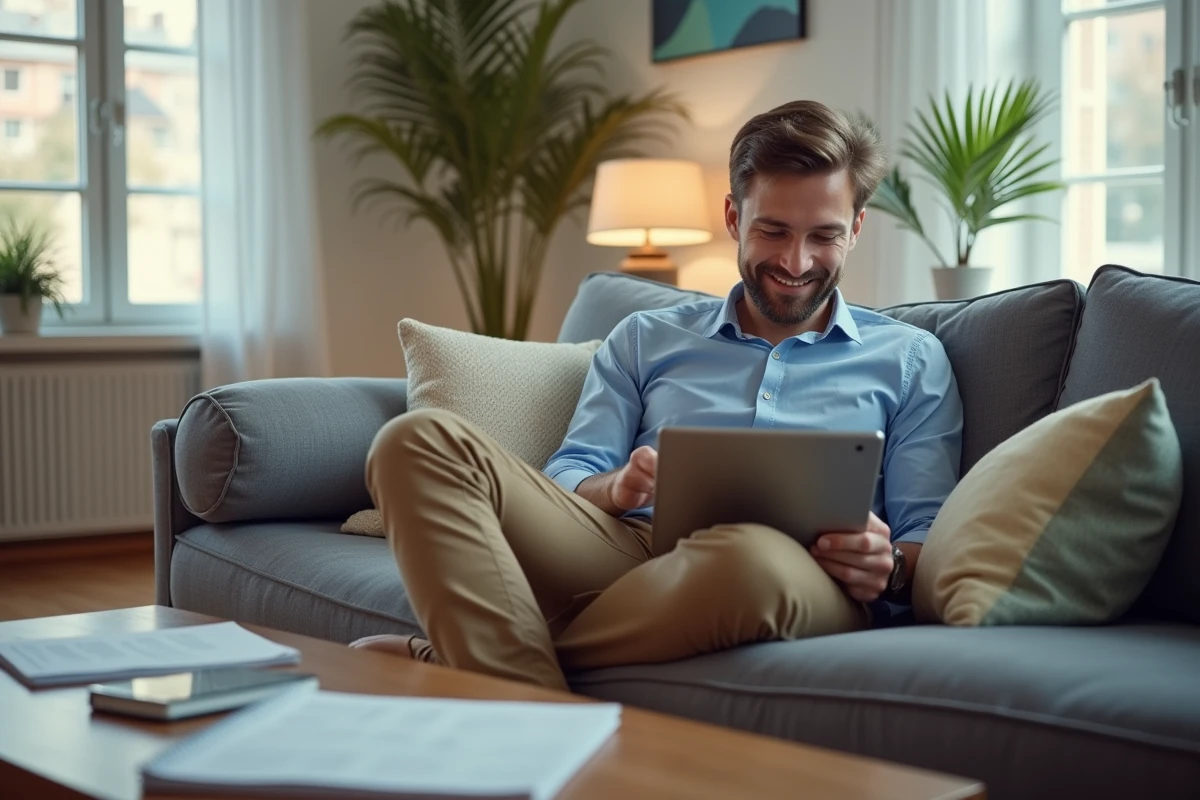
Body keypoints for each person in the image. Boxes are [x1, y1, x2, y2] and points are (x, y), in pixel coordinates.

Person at [352, 100, 964, 691]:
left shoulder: (910, 359)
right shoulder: (646, 337)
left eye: (823, 236)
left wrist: (890, 565)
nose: (796, 261)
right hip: (633, 551)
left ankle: (470, 662)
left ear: (856, 228)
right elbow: (570, 472)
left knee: (747, 556)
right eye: (772, 230)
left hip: (799, 579)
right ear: (733, 218)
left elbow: (926, 534)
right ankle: (509, 681)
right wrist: (615, 489)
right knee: (413, 441)